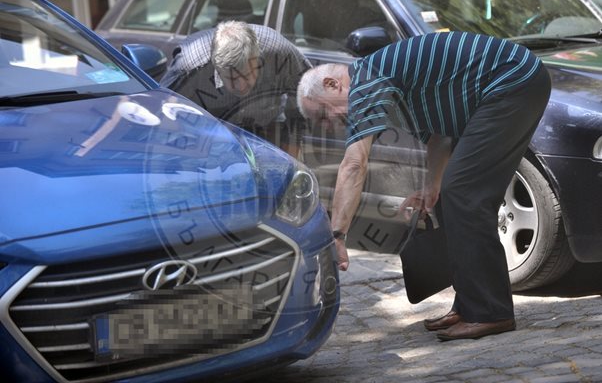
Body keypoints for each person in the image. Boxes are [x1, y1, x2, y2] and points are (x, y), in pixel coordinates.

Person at [296, 31, 551, 341]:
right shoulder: (387, 90)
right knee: (450, 195)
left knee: (464, 193)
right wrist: (432, 188)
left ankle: (490, 312)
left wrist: (337, 235)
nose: (329, 124)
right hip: (512, 82)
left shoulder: (366, 80)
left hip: (512, 81)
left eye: (324, 113)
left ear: (332, 84)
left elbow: (353, 165)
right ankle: (471, 304)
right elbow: (439, 136)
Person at [160, 21, 312, 158]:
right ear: (217, 68)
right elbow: (163, 114)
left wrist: (290, 153)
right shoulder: (189, 67)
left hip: (269, 129)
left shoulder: (279, 53)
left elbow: (308, 96)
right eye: (231, 79)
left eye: (247, 75)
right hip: (208, 142)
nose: (241, 86)